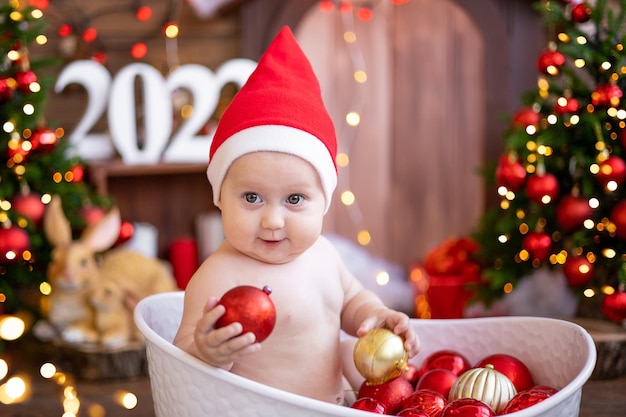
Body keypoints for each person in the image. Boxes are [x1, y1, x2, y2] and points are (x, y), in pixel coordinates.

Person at [173, 26, 419, 406]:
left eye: (294, 199)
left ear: (324, 201)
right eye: (252, 197)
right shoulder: (219, 276)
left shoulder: (324, 254)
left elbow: (351, 302)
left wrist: (377, 316)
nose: (273, 220)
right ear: (219, 197)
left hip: (334, 407)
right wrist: (206, 350)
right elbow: (181, 359)